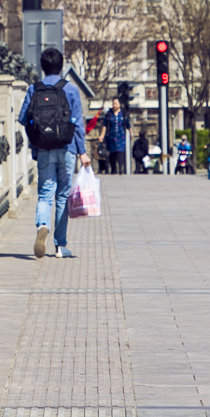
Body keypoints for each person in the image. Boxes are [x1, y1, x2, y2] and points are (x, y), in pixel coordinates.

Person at [19, 48, 86, 259]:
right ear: (62, 65)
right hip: (67, 149)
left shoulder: (34, 89)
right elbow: (78, 124)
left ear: (41, 67)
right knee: (62, 196)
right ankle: (60, 246)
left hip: (44, 150)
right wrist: (82, 152)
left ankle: (42, 225)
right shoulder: (72, 90)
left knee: (45, 194)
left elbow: (23, 118)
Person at [99, 99, 130, 174]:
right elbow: (105, 125)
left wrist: (131, 133)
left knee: (120, 152)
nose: (114, 105)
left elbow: (128, 124)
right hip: (111, 136)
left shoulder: (123, 113)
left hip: (121, 136)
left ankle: (120, 168)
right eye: (113, 104)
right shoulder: (109, 114)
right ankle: (113, 169)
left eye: (115, 103)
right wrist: (102, 135)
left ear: (119, 104)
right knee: (112, 153)